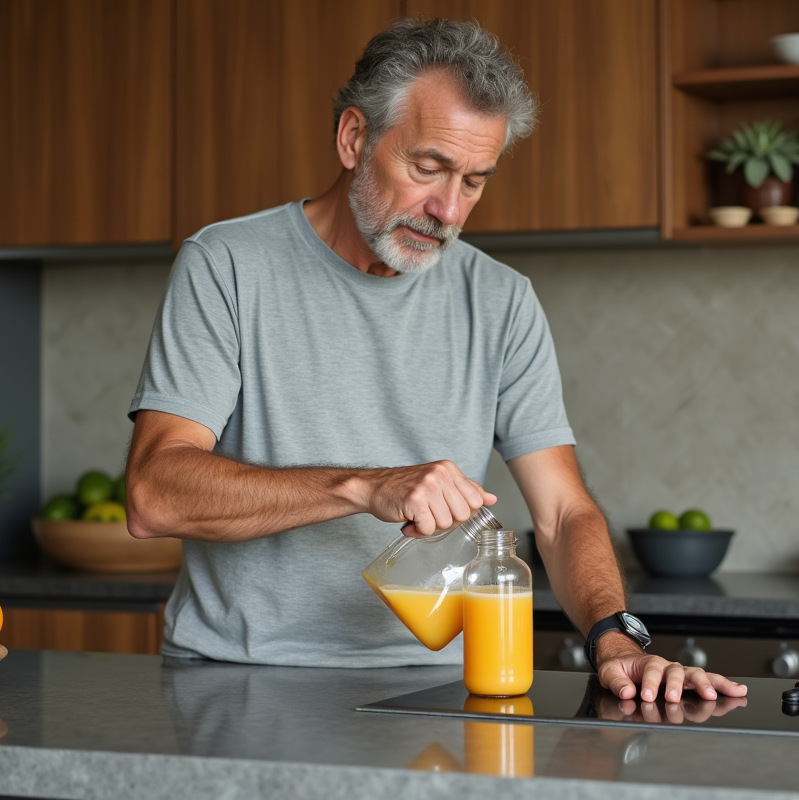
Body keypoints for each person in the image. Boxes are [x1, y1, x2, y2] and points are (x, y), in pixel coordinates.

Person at [125, 17, 746, 707]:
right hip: (234, 681)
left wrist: (615, 636)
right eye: (428, 168)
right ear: (354, 138)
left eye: (475, 181)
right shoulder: (227, 266)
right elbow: (155, 494)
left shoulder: (503, 301)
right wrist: (364, 486)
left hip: (438, 689)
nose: (448, 209)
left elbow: (565, 513)